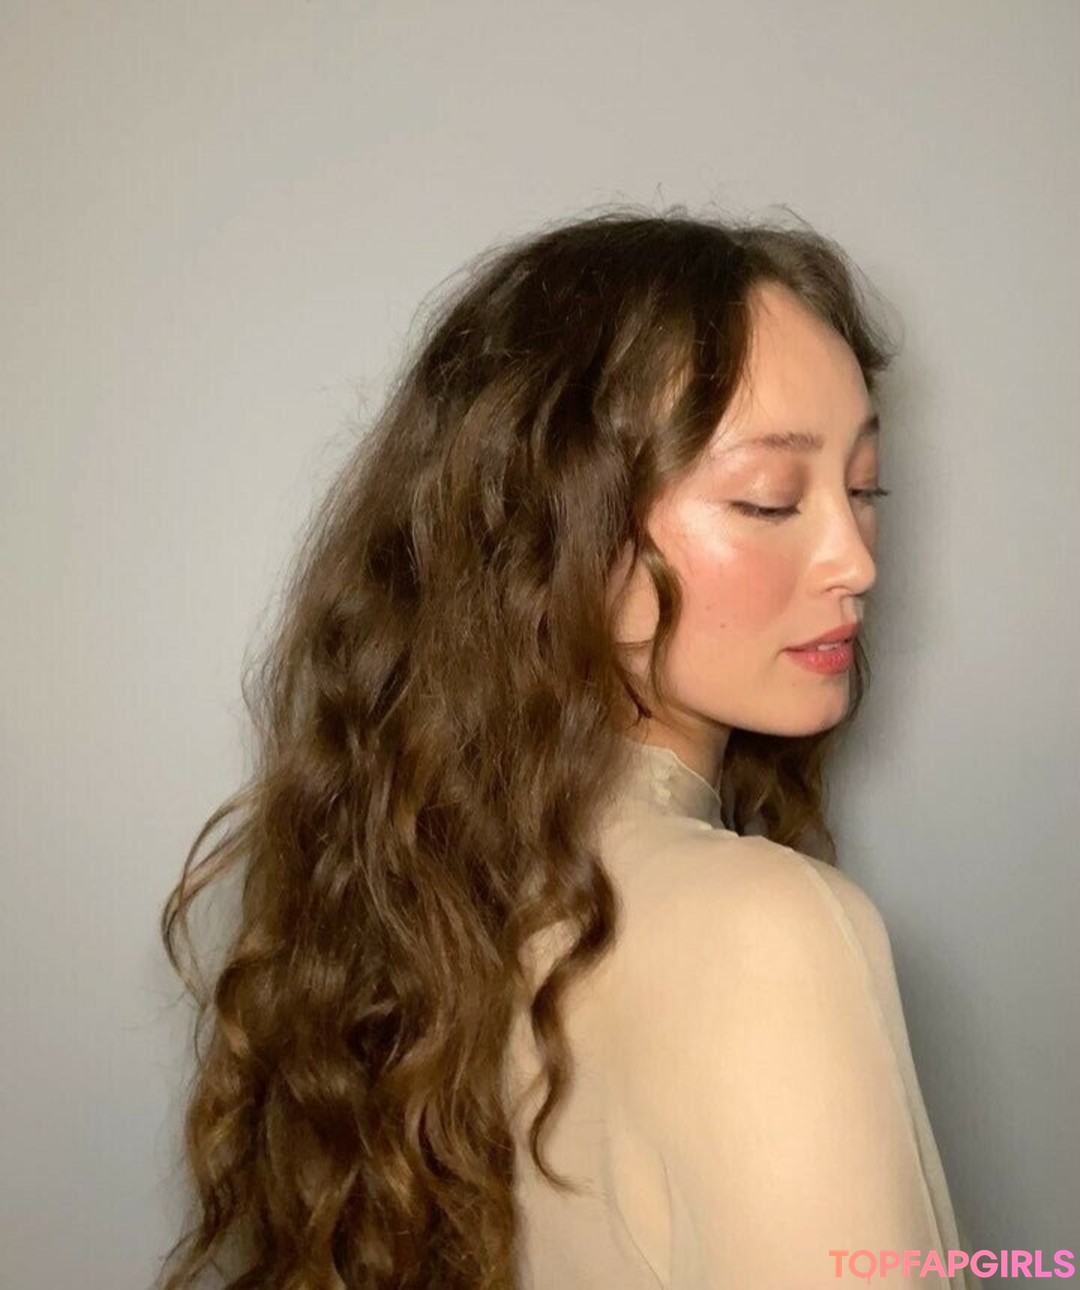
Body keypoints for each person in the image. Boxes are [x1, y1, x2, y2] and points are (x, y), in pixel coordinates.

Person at [158, 206, 975, 1290]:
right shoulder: (768, 933)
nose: (856, 560)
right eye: (770, 499)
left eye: (864, 489)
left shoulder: (429, 898)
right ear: (555, 528)